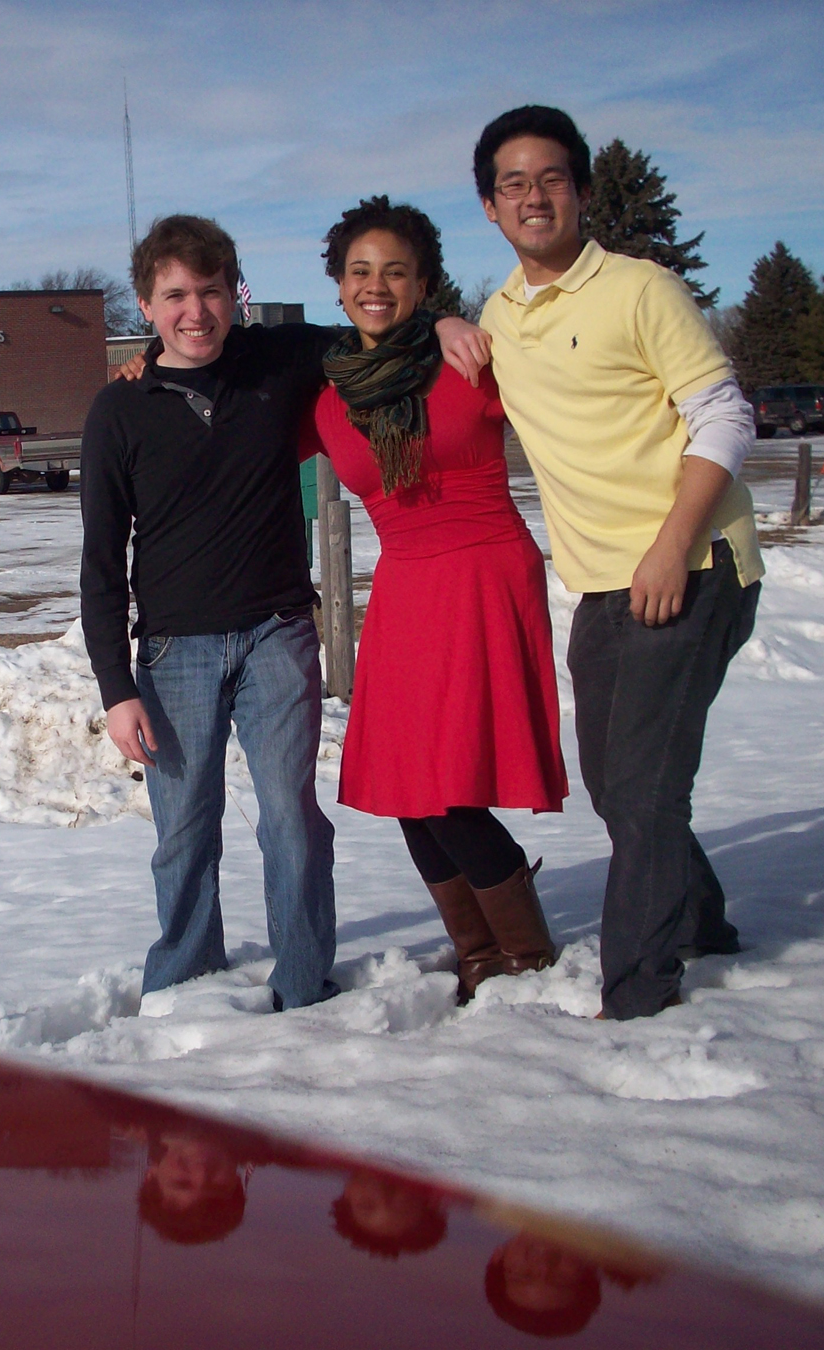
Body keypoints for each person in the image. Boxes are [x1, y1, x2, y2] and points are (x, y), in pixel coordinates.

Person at [81, 214, 488, 1011]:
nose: (194, 312)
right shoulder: (118, 411)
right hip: (173, 655)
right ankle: (182, 986)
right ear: (144, 304)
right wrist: (114, 685)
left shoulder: (278, 361)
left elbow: (376, 328)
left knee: (292, 823)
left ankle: (304, 982)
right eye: (174, 296)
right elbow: (101, 560)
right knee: (183, 835)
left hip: (278, 634)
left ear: (237, 295)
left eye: (210, 292)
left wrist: (439, 318)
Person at [470, 106, 763, 1020]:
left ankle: (640, 993)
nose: (533, 196)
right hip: (601, 581)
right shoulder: (500, 314)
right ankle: (701, 918)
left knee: (640, 785)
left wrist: (673, 548)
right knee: (616, 781)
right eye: (513, 183)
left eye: (551, 178)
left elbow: (726, 415)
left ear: (582, 191)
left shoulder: (641, 290)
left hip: (693, 563)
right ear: (490, 206)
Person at [300, 196, 567, 1003]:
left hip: (484, 574)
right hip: (407, 590)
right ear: (338, 284)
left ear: (424, 283)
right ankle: (478, 950)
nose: (376, 286)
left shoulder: (473, 358)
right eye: (360, 271)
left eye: (396, 271)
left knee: (448, 788)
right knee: (410, 791)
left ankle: (524, 947)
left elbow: (578, 408)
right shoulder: (327, 392)